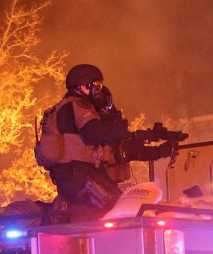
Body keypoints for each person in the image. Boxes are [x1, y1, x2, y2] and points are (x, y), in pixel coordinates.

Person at [35, 63, 175, 221]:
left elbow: (120, 150)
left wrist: (159, 147)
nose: (98, 91)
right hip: (78, 175)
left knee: (113, 209)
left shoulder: (66, 108)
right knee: (118, 209)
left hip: (78, 175)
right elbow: (95, 132)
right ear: (81, 86)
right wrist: (119, 126)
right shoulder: (78, 104)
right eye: (95, 86)